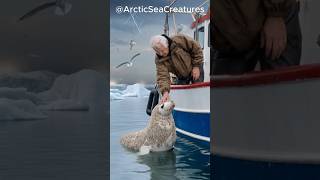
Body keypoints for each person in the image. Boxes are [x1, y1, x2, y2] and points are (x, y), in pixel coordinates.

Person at [212, 0, 302, 75]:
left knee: (281, 86)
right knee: (225, 91)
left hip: (273, 17)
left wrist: (276, 13)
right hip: (230, 39)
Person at [150, 34, 204, 103]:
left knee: (197, 91)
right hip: (181, 76)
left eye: (162, 50)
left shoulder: (179, 40)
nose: (161, 54)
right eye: (158, 52)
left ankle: (199, 104)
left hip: (195, 67)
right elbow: (162, 76)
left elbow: (196, 48)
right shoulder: (159, 60)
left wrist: (196, 66)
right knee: (183, 98)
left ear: (167, 44)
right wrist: (165, 92)